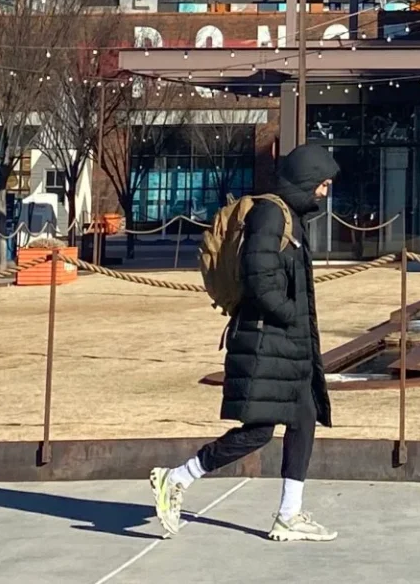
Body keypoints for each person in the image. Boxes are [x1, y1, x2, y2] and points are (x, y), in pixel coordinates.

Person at [150, 142, 340, 543]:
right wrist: (290, 316)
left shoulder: (291, 218)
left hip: (284, 344)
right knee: (258, 431)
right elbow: (260, 279)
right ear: (305, 180)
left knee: (304, 418)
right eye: (321, 184)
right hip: (264, 342)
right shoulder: (271, 214)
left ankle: (289, 514)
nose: (324, 192)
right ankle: (177, 478)